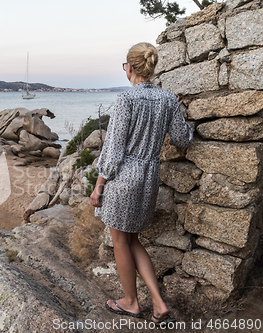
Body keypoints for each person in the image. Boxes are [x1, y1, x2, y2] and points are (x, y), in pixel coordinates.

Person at [89, 42, 193, 324]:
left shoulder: (126, 100)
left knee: (120, 242)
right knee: (133, 240)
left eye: (125, 66)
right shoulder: (169, 100)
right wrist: (184, 117)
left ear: (131, 68)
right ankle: (158, 304)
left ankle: (131, 302)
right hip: (149, 178)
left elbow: (113, 151)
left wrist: (99, 185)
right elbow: (183, 139)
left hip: (123, 178)